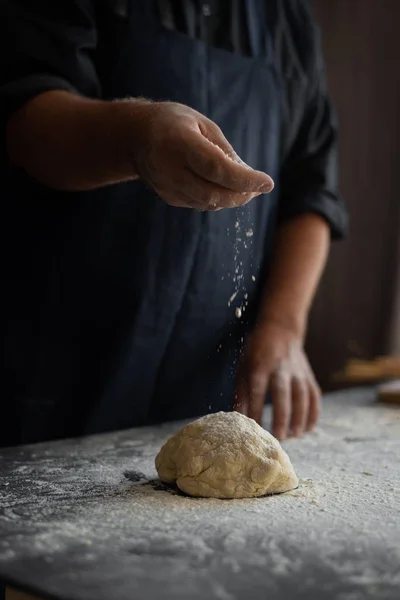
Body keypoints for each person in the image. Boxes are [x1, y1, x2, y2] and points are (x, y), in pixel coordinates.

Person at [0, 0, 348, 448]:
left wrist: (284, 325)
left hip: (208, 382)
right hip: (59, 366)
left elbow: (311, 189)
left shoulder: (286, 17)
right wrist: (136, 137)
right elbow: (23, 112)